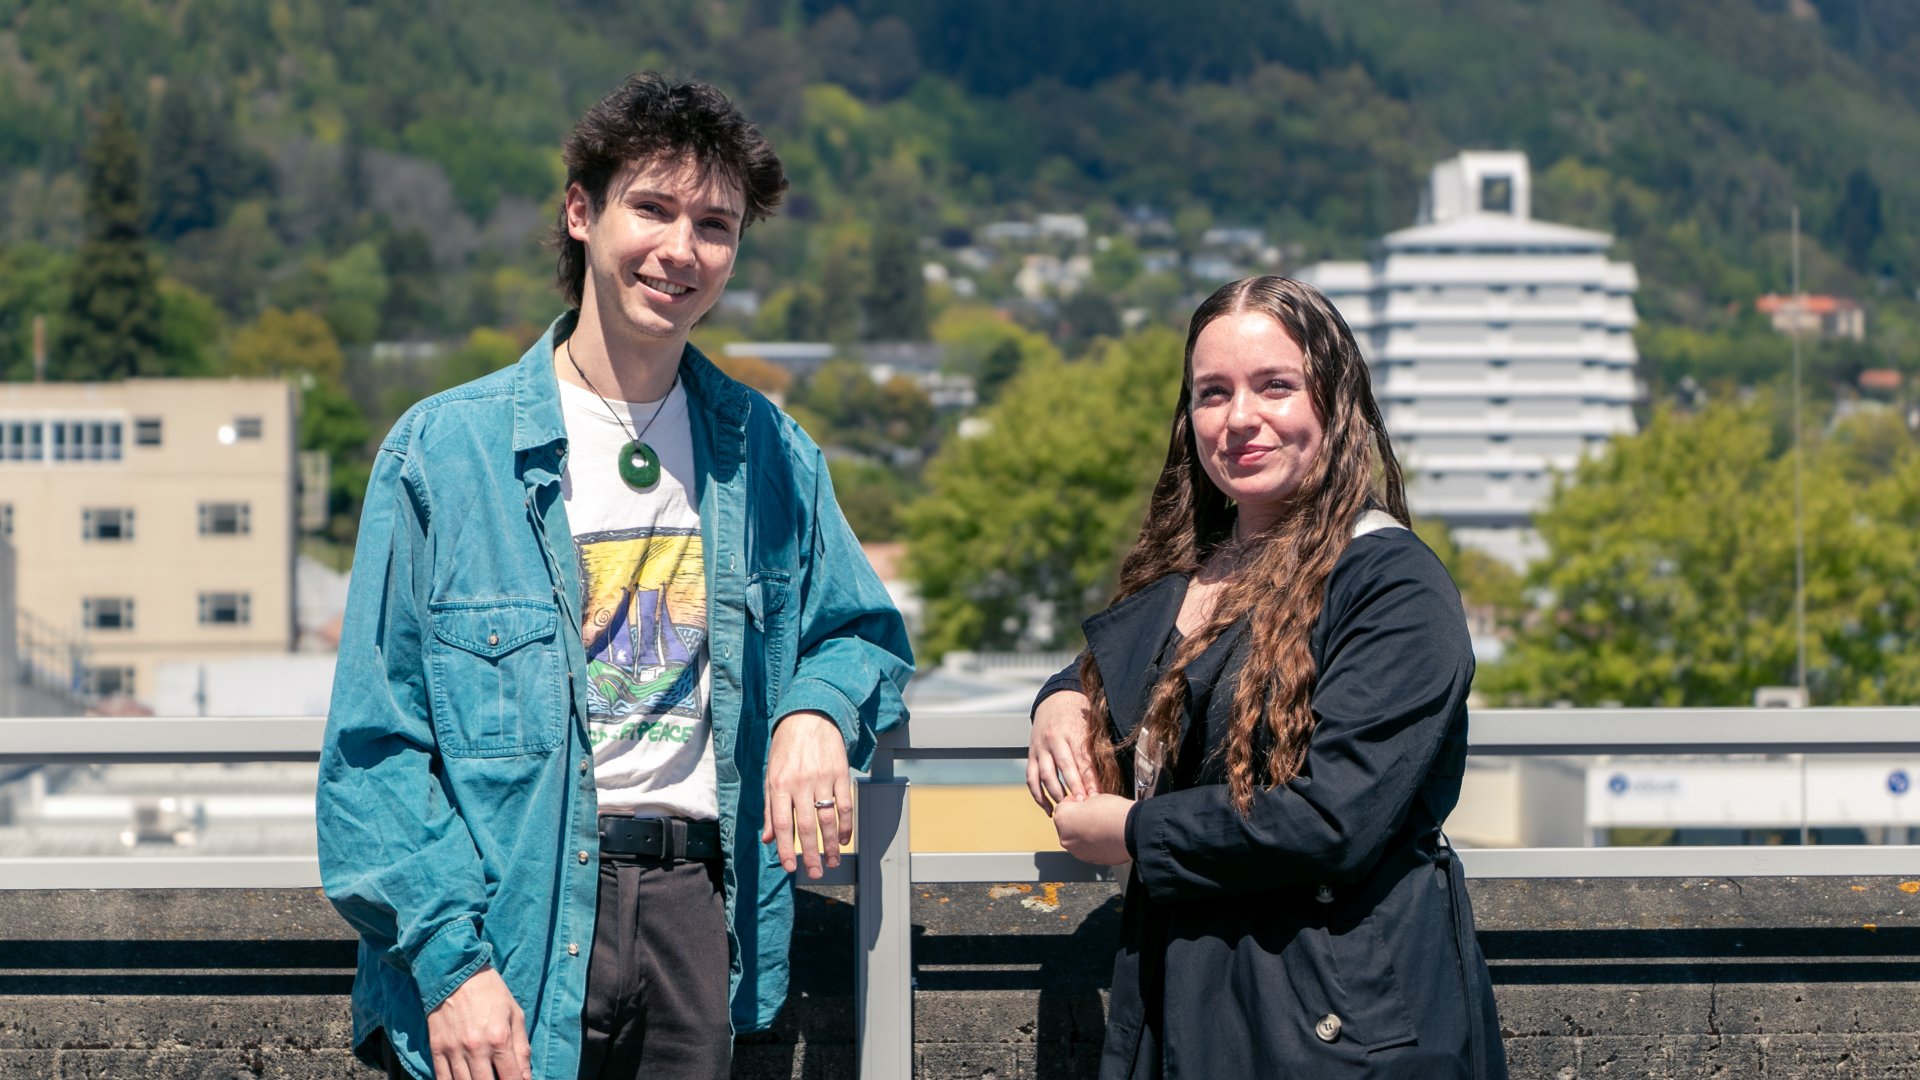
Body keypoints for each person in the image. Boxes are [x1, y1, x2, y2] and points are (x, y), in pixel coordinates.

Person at [316, 73, 913, 1080]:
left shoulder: (766, 449)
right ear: (583, 212)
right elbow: (375, 751)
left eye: (716, 225)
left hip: (695, 915)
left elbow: (860, 634)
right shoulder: (443, 455)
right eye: (654, 208)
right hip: (509, 915)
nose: (683, 249)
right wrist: (451, 965)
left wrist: (812, 713)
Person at [1026, 276, 1507, 1079]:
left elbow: (1332, 815)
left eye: (1274, 386)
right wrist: (1064, 698)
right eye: (1213, 393)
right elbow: (1137, 676)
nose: (1240, 418)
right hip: (1195, 1005)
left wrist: (1135, 835)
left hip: (1339, 1027)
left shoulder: (1392, 584)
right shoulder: (1191, 575)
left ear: (1334, 400)